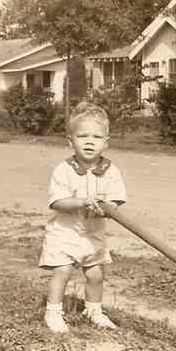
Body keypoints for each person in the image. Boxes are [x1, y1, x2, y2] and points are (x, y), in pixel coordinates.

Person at [39, 101, 127, 333]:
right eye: (83, 136)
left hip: (93, 234)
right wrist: (81, 202)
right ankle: (53, 313)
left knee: (96, 275)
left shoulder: (111, 171)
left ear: (106, 143)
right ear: (71, 141)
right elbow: (57, 202)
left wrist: (107, 207)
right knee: (63, 271)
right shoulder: (64, 170)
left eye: (96, 137)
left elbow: (117, 200)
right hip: (65, 232)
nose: (90, 142)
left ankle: (93, 311)